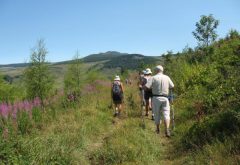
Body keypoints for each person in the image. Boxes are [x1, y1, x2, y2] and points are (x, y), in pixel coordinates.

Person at [144, 65, 174, 137]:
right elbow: (172, 86)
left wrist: (149, 88)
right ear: (162, 70)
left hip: (156, 98)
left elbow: (146, 87)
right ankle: (167, 129)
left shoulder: (153, 78)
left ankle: (157, 129)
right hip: (165, 98)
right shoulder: (167, 77)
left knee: (157, 114)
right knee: (166, 114)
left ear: (156, 71)